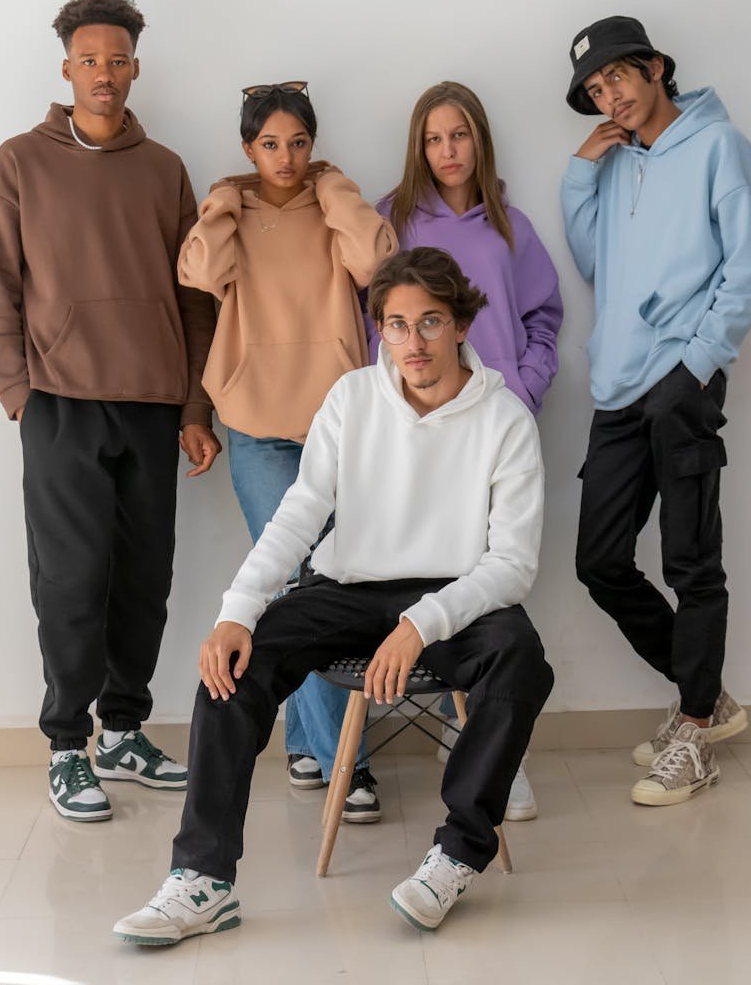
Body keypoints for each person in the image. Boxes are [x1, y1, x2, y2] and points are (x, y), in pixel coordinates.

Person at [113, 246, 553, 944]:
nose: (413, 341)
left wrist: (419, 624)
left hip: (455, 594)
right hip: (347, 586)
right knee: (233, 667)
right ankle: (202, 880)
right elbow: (300, 511)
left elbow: (512, 565)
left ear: (461, 324)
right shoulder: (352, 398)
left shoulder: (505, 421)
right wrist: (237, 611)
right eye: (398, 324)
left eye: (432, 321)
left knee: (521, 657)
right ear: (380, 327)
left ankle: (455, 854)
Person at [0, 0, 219, 820]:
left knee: (144, 579)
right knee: (71, 580)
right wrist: (17, 391)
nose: (104, 74)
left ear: (134, 68)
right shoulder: (18, 161)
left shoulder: (165, 170)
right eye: (89, 60)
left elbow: (197, 298)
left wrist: (196, 407)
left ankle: (123, 731)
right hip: (58, 403)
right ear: (66, 68)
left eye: (117, 60)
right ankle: (65, 743)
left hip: (153, 404)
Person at [177, 81, 397, 822]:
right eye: (269, 144)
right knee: (289, 589)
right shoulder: (233, 210)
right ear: (248, 147)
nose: (285, 156)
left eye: (298, 142)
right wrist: (222, 202)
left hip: (335, 423)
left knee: (328, 586)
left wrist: (334, 187)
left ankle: (313, 749)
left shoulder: (331, 203)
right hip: (256, 423)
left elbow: (375, 263)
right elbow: (200, 274)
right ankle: (346, 764)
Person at [562, 15, 751, 806]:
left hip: (682, 381)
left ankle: (694, 729)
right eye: (596, 89)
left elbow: (746, 268)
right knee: (599, 560)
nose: (610, 96)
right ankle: (703, 702)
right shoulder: (613, 163)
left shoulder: (719, 145)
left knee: (690, 561)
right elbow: (591, 261)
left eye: (618, 78)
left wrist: (697, 363)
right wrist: (580, 175)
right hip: (617, 386)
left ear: (654, 68)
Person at [373, 80, 563, 819]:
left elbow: (544, 316)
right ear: (418, 147)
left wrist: (528, 385)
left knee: (502, 576)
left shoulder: (510, 227)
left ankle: (486, 746)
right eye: (433, 138)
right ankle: (462, 728)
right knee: (439, 565)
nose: (447, 151)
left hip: (500, 425)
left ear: (479, 140)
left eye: (460, 135)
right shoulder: (398, 221)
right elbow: (379, 331)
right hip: (424, 432)